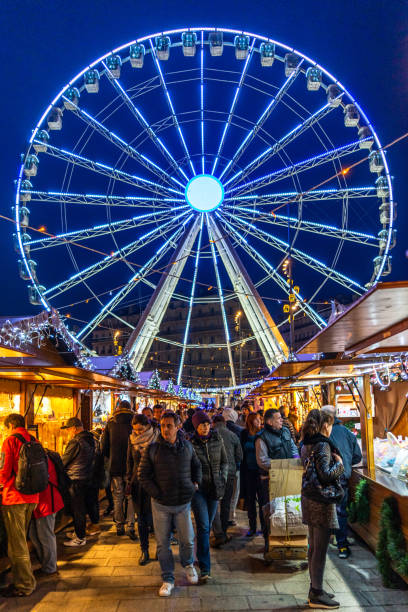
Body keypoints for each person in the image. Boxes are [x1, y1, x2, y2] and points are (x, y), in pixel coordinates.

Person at [138, 411, 202, 597]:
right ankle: (168, 578)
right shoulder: (152, 449)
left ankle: (188, 564)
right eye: (163, 425)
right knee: (162, 543)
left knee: (188, 539)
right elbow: (143, 475)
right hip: (161, 505)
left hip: (183, 502)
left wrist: (194, 484)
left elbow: (196, 465)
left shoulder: (187, 447)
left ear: (177, 426)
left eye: (169, 425)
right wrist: (157, 493)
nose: (165, 429)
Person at [301, 409, 343, 609]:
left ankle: (315, 587)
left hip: (309, 498)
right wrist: (340, 465)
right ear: (325, 425)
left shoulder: (306, 443)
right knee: (320, 549)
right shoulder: (323, 445)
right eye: (331, 424)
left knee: (313, 546)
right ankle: (317, 593)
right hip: (321, 502)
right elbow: (326, 475)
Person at [0, 413, 39, 597]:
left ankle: (24, 584)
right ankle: (24, 579)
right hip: (32, 496)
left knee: (17, 544)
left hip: (15, 497)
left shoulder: (9, 441)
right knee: (21, 540)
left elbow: (4, 471)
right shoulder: (33, 438)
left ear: (10, 425)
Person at [321, 405, 362, 559]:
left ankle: (334, 543)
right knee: (340, 512)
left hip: (327, 478)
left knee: (329, 511)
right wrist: (345, 462)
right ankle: (342, 545)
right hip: (343, 478)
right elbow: (357, 456)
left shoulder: (323, 433)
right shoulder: (347, 432)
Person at [190, 411, 228, 580]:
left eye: (206, 424)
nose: (205, 428)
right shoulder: (190, 443)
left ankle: (199, 554)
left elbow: (225, 461)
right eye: (201, 425)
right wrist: (193, 482)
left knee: (207, 524)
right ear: (196, 427)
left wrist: (222, 478)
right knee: (204, 526)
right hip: (198, 491)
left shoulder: (217, 438)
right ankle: (205, 567)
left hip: (214, 488)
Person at [255, 409, 298, 547]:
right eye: (278, 418)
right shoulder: (262, 437)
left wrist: (296, 461)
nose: (282, 420)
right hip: (270, 479)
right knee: (271, 511)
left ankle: (288, 543)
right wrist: (282, 466)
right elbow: (262, 460)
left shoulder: (285, 432)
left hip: (289, 478)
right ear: (269, 421)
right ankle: (270, 543)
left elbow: (293, 448)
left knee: (290, 509)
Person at [126, 413, 159, 565]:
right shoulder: (132, 440)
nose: (138, 433)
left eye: (140, 429)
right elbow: (129, 461)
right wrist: (128, 480)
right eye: (135, 430)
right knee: (142, 520)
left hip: (154, 483)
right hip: (137, 484)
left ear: (147, 426)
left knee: (157, 519)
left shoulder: (157, 438)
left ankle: (160, 548)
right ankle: (144, 550)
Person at [101, 399, 136, 538]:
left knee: (117, 497)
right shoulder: (134, 423)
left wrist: (110, 457)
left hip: (115, 466)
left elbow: (103, 447)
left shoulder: (111, 424)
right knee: (130, 497)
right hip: (131, 467)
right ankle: (130, 525)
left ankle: (119, 525)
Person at [62, 417, 97, 546]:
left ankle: (80, 538)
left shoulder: (76, 442)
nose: (68, 432)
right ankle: (78, 532)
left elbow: (64, 461)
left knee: (78, 510)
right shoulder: (89, 438)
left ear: (75, 428)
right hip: (86, 477)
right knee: (81, 508)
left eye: (69, 429)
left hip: (75, 479)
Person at [29, 452, 65, 578]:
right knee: (34, 534)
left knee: (45, 536)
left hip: (47, 502)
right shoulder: (41, 455)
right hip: (42, 502)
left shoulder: (39, 457)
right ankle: (46, 565)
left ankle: (50, 568)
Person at [211, 415, 243, 546]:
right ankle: (223, 533)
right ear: (225, 423)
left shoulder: (209, 435)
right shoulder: (233, 435)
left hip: (212, 475)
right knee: (225, 504)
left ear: (213, 423)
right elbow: (240, 455)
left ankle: (216, 532)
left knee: (212, 504)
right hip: (229, 474)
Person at [240, 412, 265, 537]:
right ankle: (252, 527)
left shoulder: (262, 434)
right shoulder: (244, 434)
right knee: (250, 500)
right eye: (257, 420)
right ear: (251, 421)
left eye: (260, 419)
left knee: (262, 500)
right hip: (248, 471)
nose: (259, 422)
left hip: (261, 472)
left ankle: (264, 527)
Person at [222, 407, 243, 524]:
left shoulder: (217, 430)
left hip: (221, 467)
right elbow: (240, 451)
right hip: (236, 466)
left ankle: (222, 515)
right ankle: (230, 516)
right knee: (235, 491)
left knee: (223, 492)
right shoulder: (239, 430)